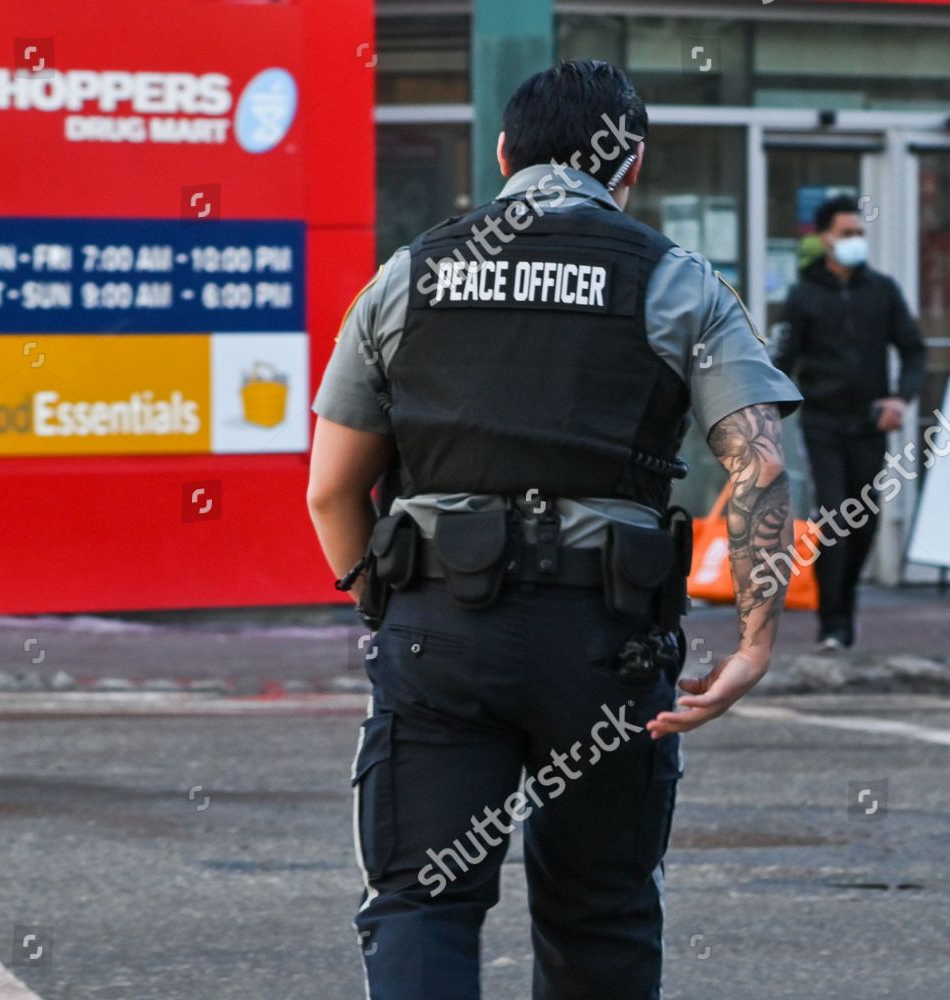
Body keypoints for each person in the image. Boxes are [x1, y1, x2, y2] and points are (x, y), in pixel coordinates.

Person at [306, 60, 802, 1000]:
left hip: (438, 632)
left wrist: (385, 605)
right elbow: (759, 465)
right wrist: (753, 643)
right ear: (634, 165)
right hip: (605, 644)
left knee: (422, 901)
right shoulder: (675, 280)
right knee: (600, 911)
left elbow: (331, 492)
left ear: (502, 154)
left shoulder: (409, 275)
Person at [772, 195, 927, 651]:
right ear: (824, 238)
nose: (855, 241)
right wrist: (769, 409)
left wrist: (901, 397)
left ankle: (847, 603)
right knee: (835, 516)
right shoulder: (803, 296)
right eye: (846, 233)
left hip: (869, 425)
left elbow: (914, 348)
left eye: (860, 233)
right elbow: (783, 359)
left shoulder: (882, 290)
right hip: (822, 425)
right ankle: (832, 623)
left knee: (866, 519)